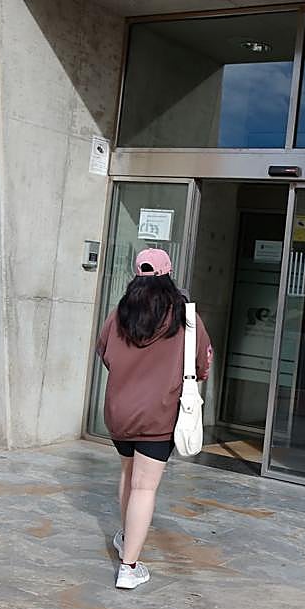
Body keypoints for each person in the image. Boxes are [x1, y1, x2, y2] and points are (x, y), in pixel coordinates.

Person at [96, 248, 211, 590]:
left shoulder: (120, 312)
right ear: (169, 273)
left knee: (128, 474)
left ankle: (125, 536)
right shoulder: (184, 316)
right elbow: (203, 363)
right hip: (159, 413)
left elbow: (104, 351)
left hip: (119, 410)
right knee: (145, 487)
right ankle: (129, 567)